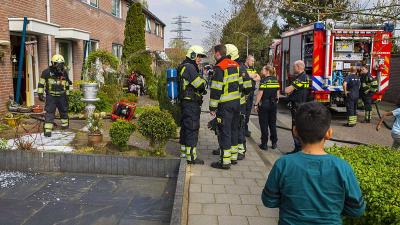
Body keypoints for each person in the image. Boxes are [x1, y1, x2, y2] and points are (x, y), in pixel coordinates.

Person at [262, 102, 366, 224]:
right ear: (329, 133)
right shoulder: (342, 167)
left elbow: (269, 201)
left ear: (295, 131)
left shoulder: (283, 164)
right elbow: (357, 209)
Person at [210, 44, 241, 169]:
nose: (213, 55)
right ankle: (233, 157)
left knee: (224, 132)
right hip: (237, 103)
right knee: (234, 129)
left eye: (214, 53)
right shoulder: (236, 65)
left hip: (225, 106)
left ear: (218, 54)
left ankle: (224, 162)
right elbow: (241, 85)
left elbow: (216, 90)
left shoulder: (220, 68)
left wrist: (212, 108)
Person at [178, 45, 208, 164]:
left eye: (201, 57)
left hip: (186, 102)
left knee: (186, 127)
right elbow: (199, 84)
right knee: (192, 127)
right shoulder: (189, 67)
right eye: (198, 56)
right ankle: (191, 157)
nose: (199, 59)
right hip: (191, 103)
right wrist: (205, 80)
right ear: (192, 55)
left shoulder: (185, 66)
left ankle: (184, 153)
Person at [38, 54, 71, 137]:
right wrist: (40, 94)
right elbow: (41, 84)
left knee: (64, 111)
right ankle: (48, 130)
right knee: (49, 112)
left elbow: (66, 84)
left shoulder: (64, 73)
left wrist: (67, 95)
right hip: (51, 96)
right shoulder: (46, 72)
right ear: (52, 63)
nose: (59, 66)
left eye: (61, 64)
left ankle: (65, 125)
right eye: (57, 63)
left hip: (62, 96)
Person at [284, 60, 310, 154]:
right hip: (301, 104)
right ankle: (299, 148)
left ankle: (298, 149)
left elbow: (287, 90)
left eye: (294, 67)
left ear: (299, 67)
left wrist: (287, 89)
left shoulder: (301, 78)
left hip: (298, 106)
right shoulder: (304, 76)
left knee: (295, 127)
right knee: (298, 127)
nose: (293, 68)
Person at [254, 65, 279, 150]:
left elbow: (260, 93)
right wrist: (276, 101)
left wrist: (256, 104)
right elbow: (278, 93)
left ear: (267, 71)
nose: (261, 70)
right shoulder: (275, 80)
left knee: (264, 124)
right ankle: (274, 143)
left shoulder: (264, 81)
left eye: (263, 69)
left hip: (265, 104)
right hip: (273, 104)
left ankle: (264, 144)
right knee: (272, 124)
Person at [244, 55, 261, 137]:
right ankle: (242, 128)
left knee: (248, 112)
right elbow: (247, 76)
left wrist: (251, 76)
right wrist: (251, 76)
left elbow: (258, 78)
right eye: (252, 61)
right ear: (247, 60)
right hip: (245, 94)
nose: (253, 63)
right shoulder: (243, 67)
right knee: (244, 111)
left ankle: (245, 128)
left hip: (251, 93)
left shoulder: (252, 68)